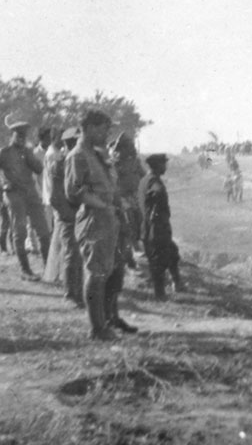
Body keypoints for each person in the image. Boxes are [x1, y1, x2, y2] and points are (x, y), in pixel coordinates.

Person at [65, 110, 137, 340]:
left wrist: (117, 210)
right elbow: (74, 192)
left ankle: (107, 321)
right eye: (104, 128)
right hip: (94, 220)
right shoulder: (77, 155)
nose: (107, 133)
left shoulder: (96, 154)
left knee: (109, 272)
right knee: (96, 274)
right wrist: (104, 206)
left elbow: (110, 187)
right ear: (91, 127)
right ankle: (97, 328)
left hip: (109, 219)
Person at [0, 119, 51, 280]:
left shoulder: (27, 151)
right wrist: (2, 187)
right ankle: (25, 270)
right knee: (20, 232)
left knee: (44, 231)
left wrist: (30, 155)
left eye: (23, 135)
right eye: (17, 135)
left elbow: (39, 169)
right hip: (14, 196)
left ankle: (49, 269)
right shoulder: (2, 153)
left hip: (31, 194)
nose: (20, 138)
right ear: (11, 135)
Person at [139, 153, 183, 300]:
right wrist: (157, 215)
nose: (166, 166)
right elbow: (157, 191)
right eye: (163, 164)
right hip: (156, 229)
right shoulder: (153, 181)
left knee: (172, 253)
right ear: (157, 166)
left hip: (151, 227)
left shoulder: (145, 180)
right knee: (158, 261)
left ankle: (177, 284)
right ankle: (160, 294)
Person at [48, 127, 83, 306]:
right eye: (75, 142)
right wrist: (69, 215)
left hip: (81, 215)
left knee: (79, 255)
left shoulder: (78, 162)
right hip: (68, 216)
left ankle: (78, 292)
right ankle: (70, 294)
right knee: (71, 253)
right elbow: (55, 197)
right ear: (68, 144)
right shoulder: (59, 165)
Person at [109, 130, 145, 269]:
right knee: (127, 222)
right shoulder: (115, 162)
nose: (131, 148)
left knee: (139, 221)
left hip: (134, 195)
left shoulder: (135, 161)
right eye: (128, 146)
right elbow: (113, 181)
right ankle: (131, 254)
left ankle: (136, 250)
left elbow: (143, 175)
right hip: (122, 197)